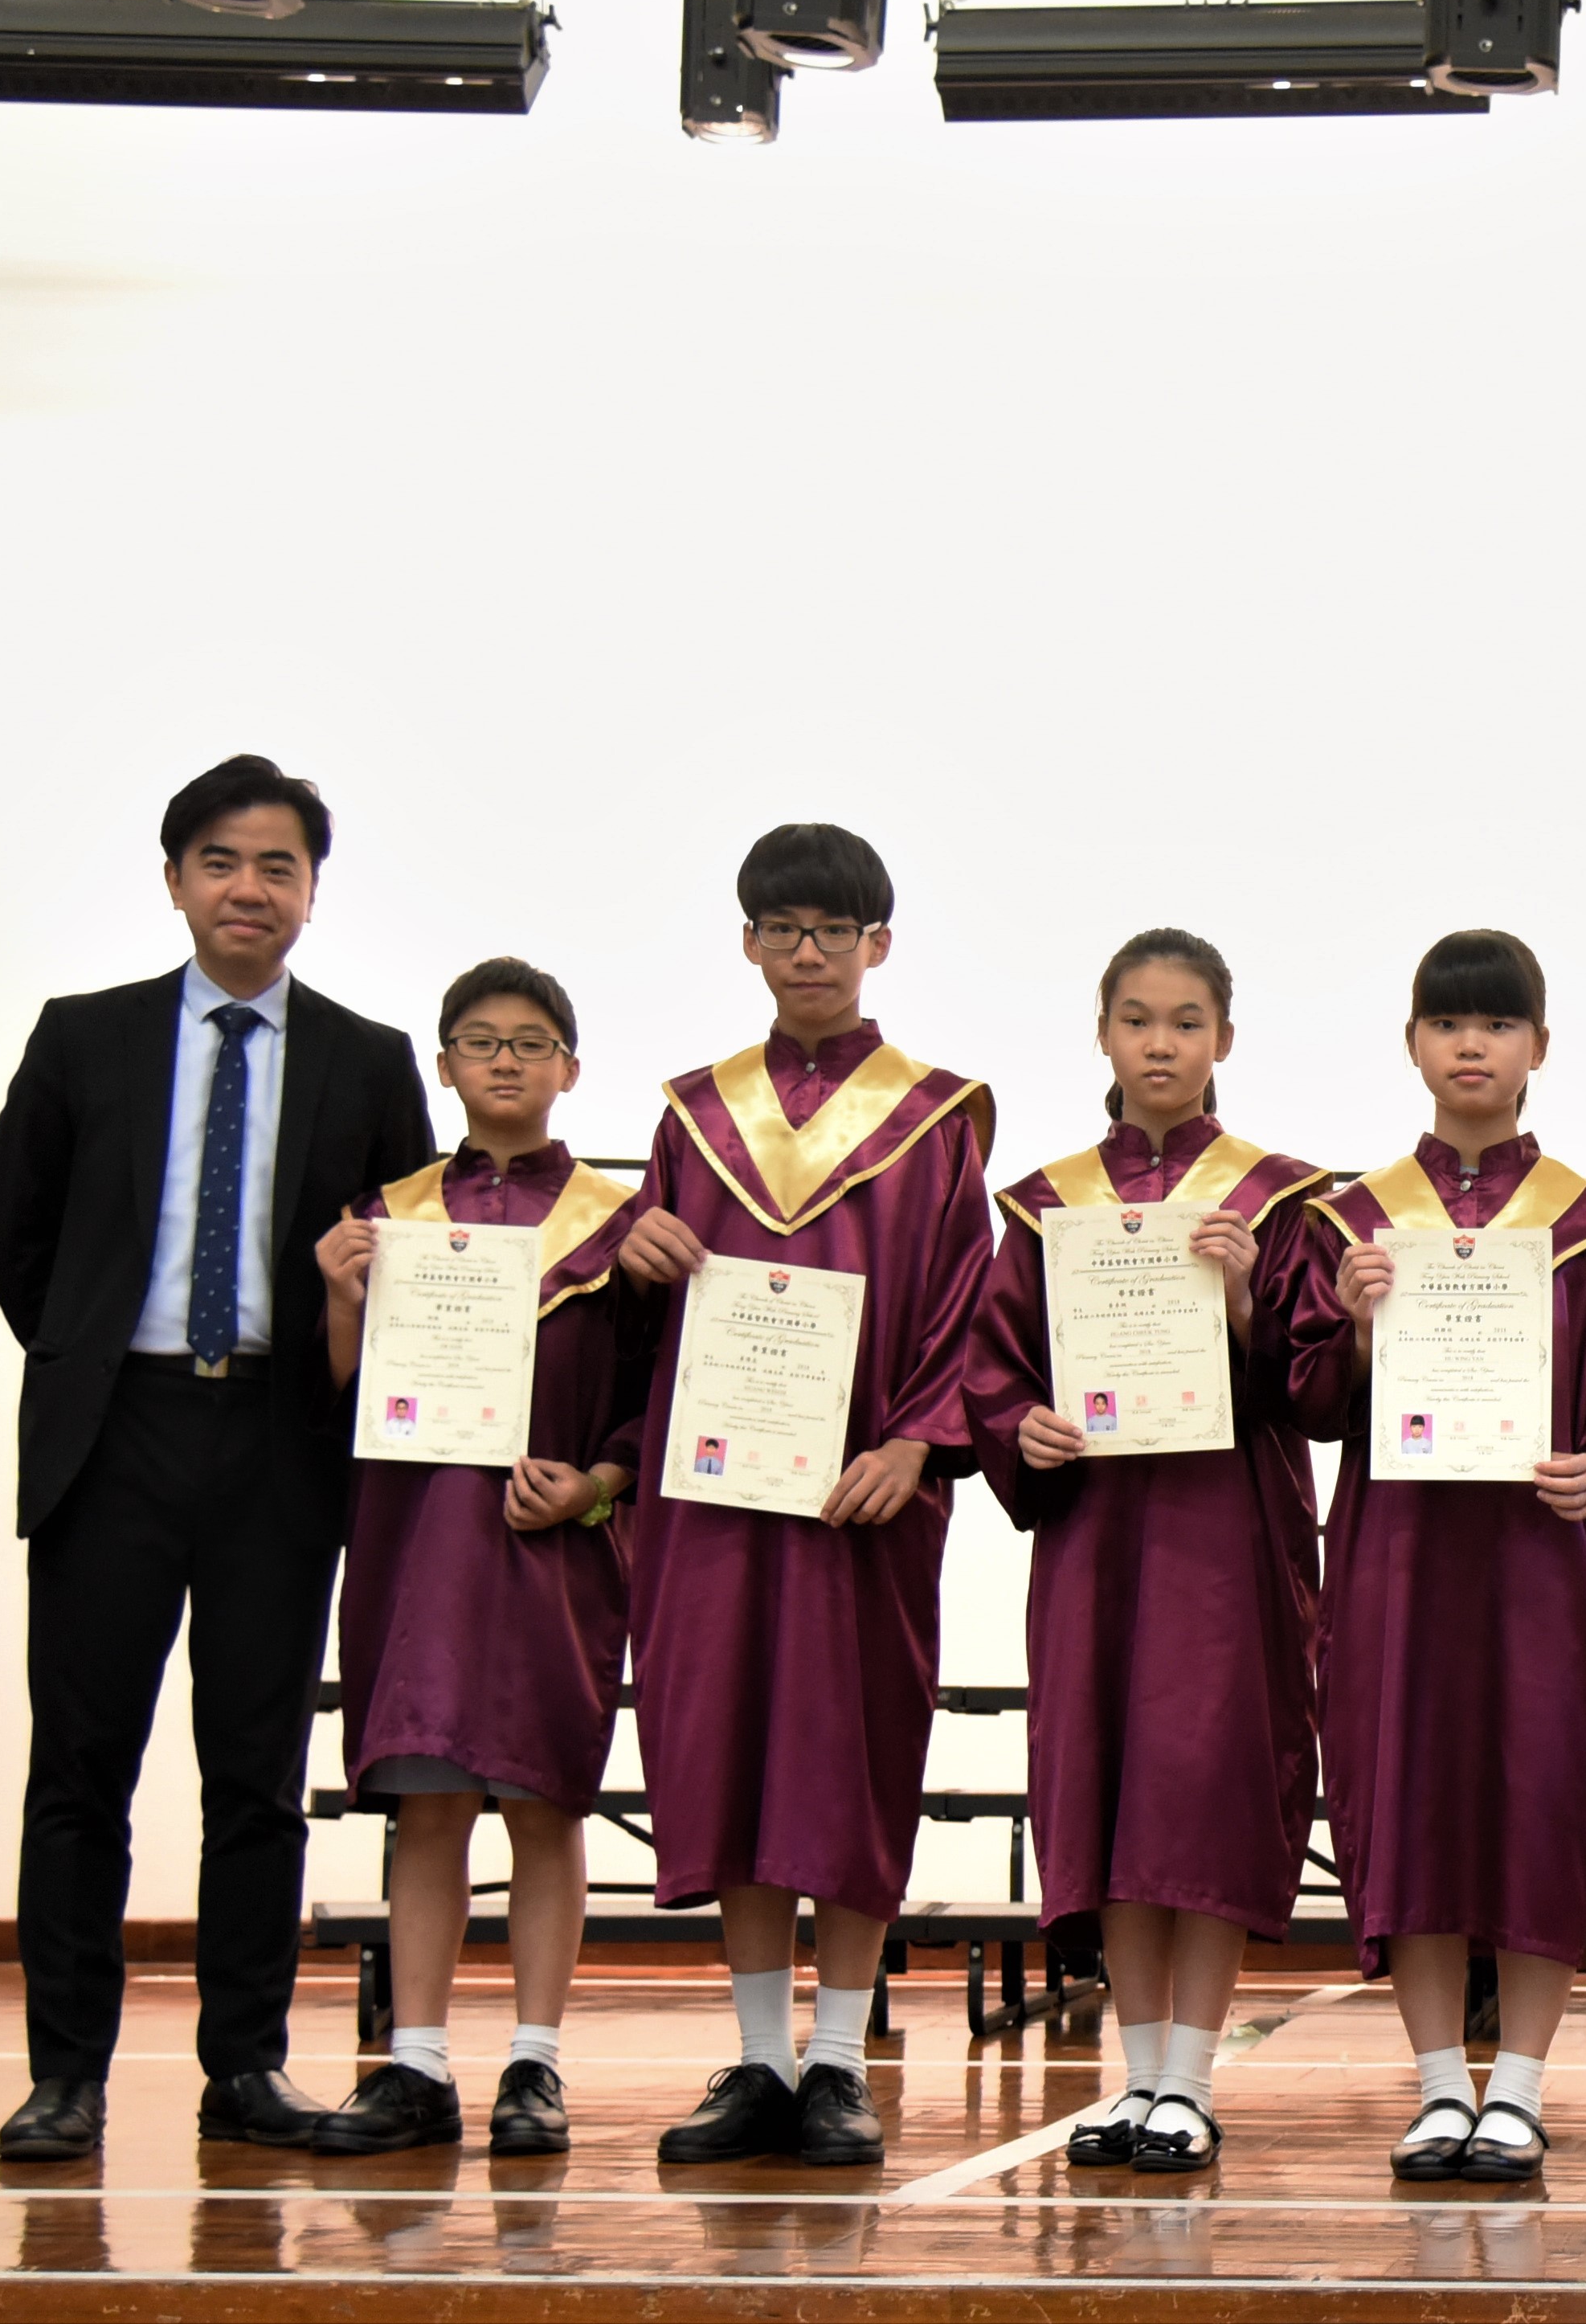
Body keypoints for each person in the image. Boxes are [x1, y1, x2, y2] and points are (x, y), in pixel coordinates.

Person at [0, 756, 437, 2163]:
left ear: (312, 891)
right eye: (223, 861)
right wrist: (92, 1357)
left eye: (279, 865)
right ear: (176, 877)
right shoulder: (84, 1037)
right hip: (112, 1436)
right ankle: (66, 2075)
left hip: (278, 1443)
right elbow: (16, 1238)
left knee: (255, 1776)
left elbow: (413, 1264)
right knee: (81, 1771)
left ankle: (245, 2063)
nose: (251, 888)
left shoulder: (368, 1059)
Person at [616, 823, 995, 2169]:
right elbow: (633, 1318)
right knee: (726, 1743)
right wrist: (634, 1248)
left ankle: (840, 2059)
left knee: (849, 1750)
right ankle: (761, 2058)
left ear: (877, 943)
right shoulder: (692, 1118)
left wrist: (919, 1444)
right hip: (717, 1494)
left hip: (859, 1495)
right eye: (783, 927)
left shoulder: (936, 1117)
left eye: (834, 929)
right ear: (748, 942)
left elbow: (967, 1304)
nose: (809, 951)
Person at [1292, 929, 1586, 2186]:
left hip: (1542, 1564)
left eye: (1498, 1023)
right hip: (1401, 1557)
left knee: (1541, 1794)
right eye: (1449, 1022)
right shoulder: (1352, 1224)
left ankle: (1521, 2088)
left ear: (1538, 1046)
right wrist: (1351, 1326)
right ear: (1412, 1042)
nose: (1472, 1044)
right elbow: (1308, 1402)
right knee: (1413, 1794)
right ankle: (1442, 2084)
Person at [959, 930, 1328, 2178]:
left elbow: (1320, 1381)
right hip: (1099, 1533)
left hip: (1228, 1531)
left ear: (1224, 1036)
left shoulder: (1276, 1200)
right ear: (1103, 1033)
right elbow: (996, 1367)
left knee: (1206, 1779)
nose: (1160, 1043)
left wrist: (1247, 1301)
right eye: (1137, 1019)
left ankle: (1194, 2077)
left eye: (1185, 1020)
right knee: (1113, 1777)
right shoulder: (1048, 1204)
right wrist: (1023, 1424)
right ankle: (1135, 2072)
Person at [307, 960, 662, 2158]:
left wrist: (598, 1484)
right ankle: (414, 2064)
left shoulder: (619, 1229)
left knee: (543, 1804)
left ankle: (535, 2062)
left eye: (530, 1041)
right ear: (444, 1064)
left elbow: (654, 1401)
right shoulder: (388, 1218)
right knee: (428, 1807)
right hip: (417, 1550)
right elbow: (336, 1400)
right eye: (479, 1040)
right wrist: (340, 1301)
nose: (505, 1060)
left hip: (549, 1551)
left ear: (571, 1067)